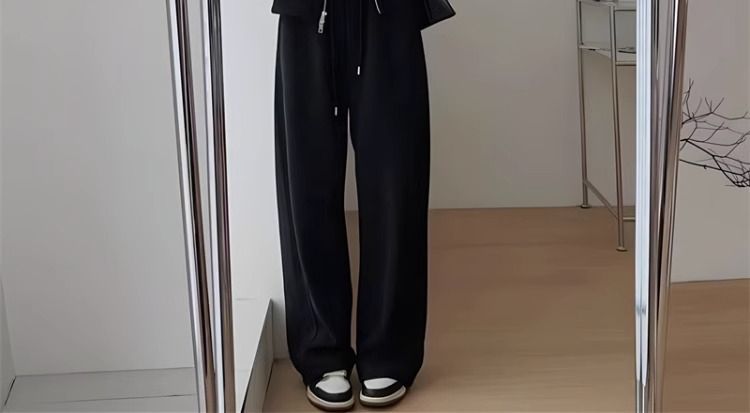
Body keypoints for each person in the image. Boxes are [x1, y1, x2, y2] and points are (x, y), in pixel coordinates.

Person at [272, 0, 454, 409]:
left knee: (396, 183)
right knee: (306, 181)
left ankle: (388, 350)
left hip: (388, 14)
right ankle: (322, 350)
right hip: (309, 15)